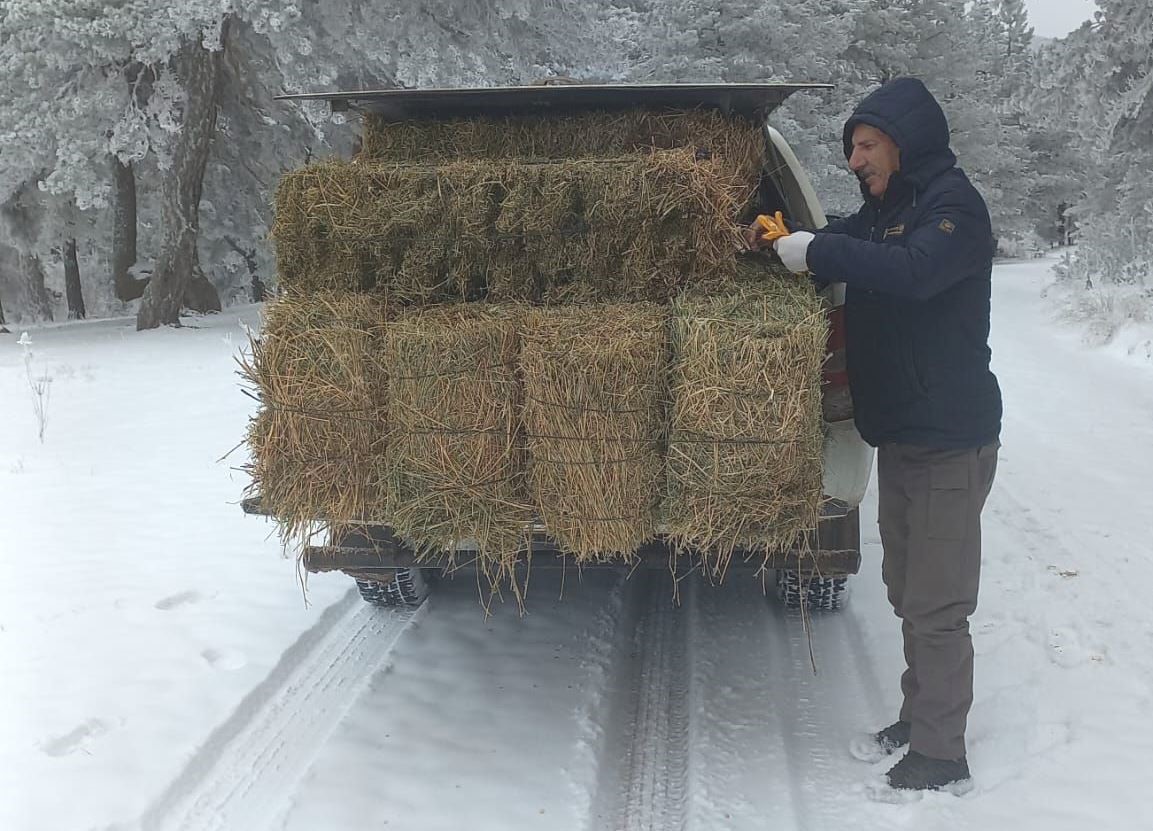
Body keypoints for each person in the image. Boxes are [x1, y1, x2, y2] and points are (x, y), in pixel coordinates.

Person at [749, 77, 1002, 796]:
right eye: (850, 149)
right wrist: (780, 235)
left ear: (904, 140)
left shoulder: (952, 208)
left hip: (950, 434)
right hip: (902, 433)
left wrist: (818, 253)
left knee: (937, 602)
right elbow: (841, 240)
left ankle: (939, 753)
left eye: (865, 145)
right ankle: (917, 713)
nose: (855, 159)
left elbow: (914, 273)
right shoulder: (882, 210)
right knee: (903, 587)